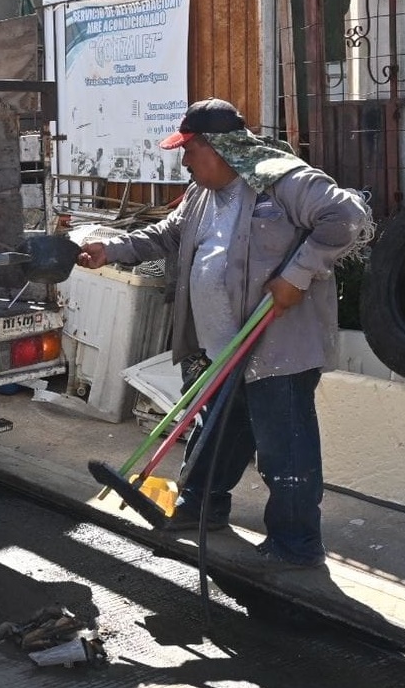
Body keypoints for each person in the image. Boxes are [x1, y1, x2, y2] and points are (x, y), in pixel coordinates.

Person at [77, 98, 371, 569]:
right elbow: (166, 236)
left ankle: (296, 546)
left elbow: (348, 216)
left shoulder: (284, 181)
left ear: (218, 147)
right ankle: (200, 509)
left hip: (278, 347)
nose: (184, 162)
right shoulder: (201, 194)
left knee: (284, 450)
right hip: (222, 346)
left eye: (189, 150)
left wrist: (297, 274)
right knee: (217, 432)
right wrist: (109, 250)